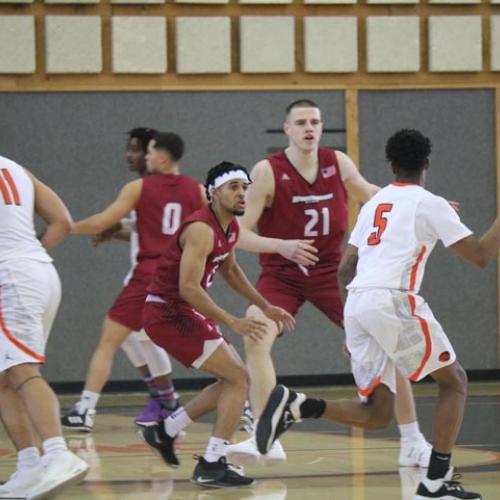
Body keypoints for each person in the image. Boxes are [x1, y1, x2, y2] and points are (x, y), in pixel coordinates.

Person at [256, 129, 491, 500]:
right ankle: (436, 481)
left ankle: (299, 405)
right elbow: (479, 256)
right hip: (393, 299)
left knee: (378, 414)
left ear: (391, 164)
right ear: (427, 164)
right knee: (455, 381)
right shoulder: (430, 203)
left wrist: (354, 325)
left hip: (358, 302)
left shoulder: (374, 204)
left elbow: (344, 269)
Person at [228, 99, 431, 466]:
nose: (309, 128)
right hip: (282, 275)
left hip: (330, 273)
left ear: (322, 128)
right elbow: (237, 234)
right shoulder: (267, 171)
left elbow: (374, 193)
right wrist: (281, 245)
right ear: (286, 129)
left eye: (316, 122)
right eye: (301, 122)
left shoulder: (337, 162)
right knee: (255, 334)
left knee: (391, 340)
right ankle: (266, 432)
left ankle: (413, 442)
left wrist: (423, 204)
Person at [141, 161, 296, 488]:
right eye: (233, 187)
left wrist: (266, 306)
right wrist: (232, 320)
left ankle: (165, 431)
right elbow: (188, 287)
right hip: (167, 313)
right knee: (239, 378)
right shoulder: (200, 228)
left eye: (244, 187)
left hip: (183, 311)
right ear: (213, 193)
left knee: (233, 379)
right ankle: (211, 462)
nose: (242, 193)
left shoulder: (232, 227)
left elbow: (231, 271)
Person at [61, 132, 205, 431]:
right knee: (163, 338)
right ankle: (175, 401)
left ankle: (85, 409)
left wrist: (66, 227)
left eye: (149, 152)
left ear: (162, 157)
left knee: (109, 339)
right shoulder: (198, 191)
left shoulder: (139, 187)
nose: (146, 157)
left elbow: (102, 220)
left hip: (150, 275)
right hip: (180, 275)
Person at [0, 155, 89, 498]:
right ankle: (30, 466)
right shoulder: (17, 168)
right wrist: (28, 254)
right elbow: (62, 222)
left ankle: (57, 452)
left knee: (21, 370)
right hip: (39, 272)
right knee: (6, 378)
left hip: (12, 277)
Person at [94, 127, 182, 427]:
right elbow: (145, 229)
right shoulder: (145, 186)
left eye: (137, 149)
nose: (130, 155)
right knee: (132, 339)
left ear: (152, 155)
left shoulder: (159, 188)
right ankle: (162, 398)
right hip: (140, 272)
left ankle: (167, 400)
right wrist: (116, 231)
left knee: (144, 338)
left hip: (158, 275)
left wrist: (71, 226)